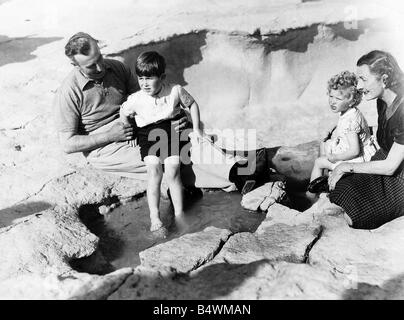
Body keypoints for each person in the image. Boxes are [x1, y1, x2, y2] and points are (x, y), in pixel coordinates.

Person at [119, 51, 205, 232]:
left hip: (171, 129)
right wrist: (130, 132)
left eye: (149, 78)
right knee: (154, 171)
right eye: (141, 78)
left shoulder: (174, 91)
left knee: (173, 170)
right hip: (148, 134)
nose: (144, 83)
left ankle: (179, 214)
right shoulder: (136, 99)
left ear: (162, 77)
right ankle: (154, 216)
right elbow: (123, 112)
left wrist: (196, 129)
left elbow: (192, 104)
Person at [328, 50, 404, 229]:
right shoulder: (382, 101)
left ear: (384, 79)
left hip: (399, 177)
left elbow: (390, 166)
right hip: (385, 161)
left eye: (363, 79)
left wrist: (346, 166)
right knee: (341, 188)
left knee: (357, 213)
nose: (359, 86)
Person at [307, 71, 377, 194]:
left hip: (357, 158)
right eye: (331, 96)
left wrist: (335, 157)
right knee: (325, 143)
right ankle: (325, 178)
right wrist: (331, 128)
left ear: (351, 101)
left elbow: (354, 151)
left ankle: (312, 194)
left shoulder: (350, 121)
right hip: (353, 149)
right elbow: (342, 121)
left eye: (338, 98)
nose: (332, 101)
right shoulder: (349, 111)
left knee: (319, 162)